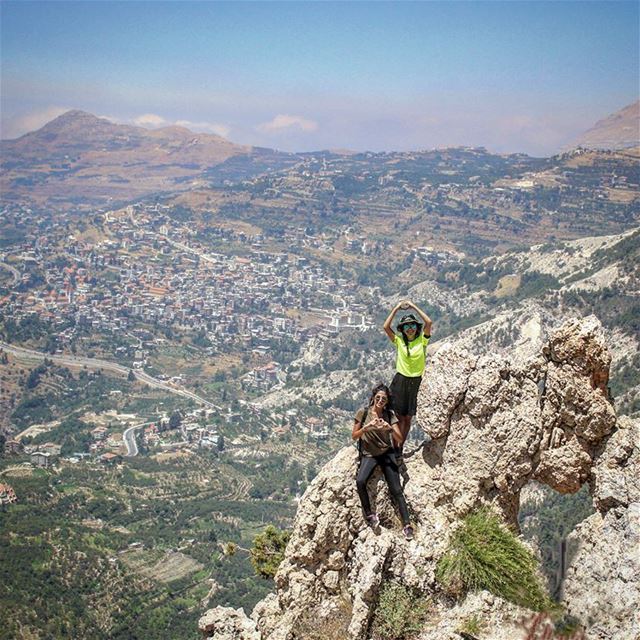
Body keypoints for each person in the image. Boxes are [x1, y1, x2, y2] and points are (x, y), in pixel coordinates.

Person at [352, 383, 414, 540]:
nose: (380, 401)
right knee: (360, 481)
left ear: (387, 401)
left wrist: (390, 428)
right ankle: (370, 514)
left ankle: (407, 525)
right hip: (369, 454)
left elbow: (399, 438)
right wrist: (368, 428)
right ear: (373, 398)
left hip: (386, 453)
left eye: (384, 399)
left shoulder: (389, 415)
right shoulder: (363, 413)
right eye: (378, 397)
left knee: (396, 490)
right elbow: (354, 435)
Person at [383, 299, 433, 446]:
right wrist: (397, 308)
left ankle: (400, 447)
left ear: (416, 328)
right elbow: (386, 327)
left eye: (412, 325)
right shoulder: (399, 341)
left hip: (416, 381)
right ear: (402, 329)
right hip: (400, 380)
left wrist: (413, 306)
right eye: (406, 326)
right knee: (397, 416)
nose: (410, 328)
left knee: (408, 418)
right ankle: (394, 444)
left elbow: (428, 323)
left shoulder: (422, 341)